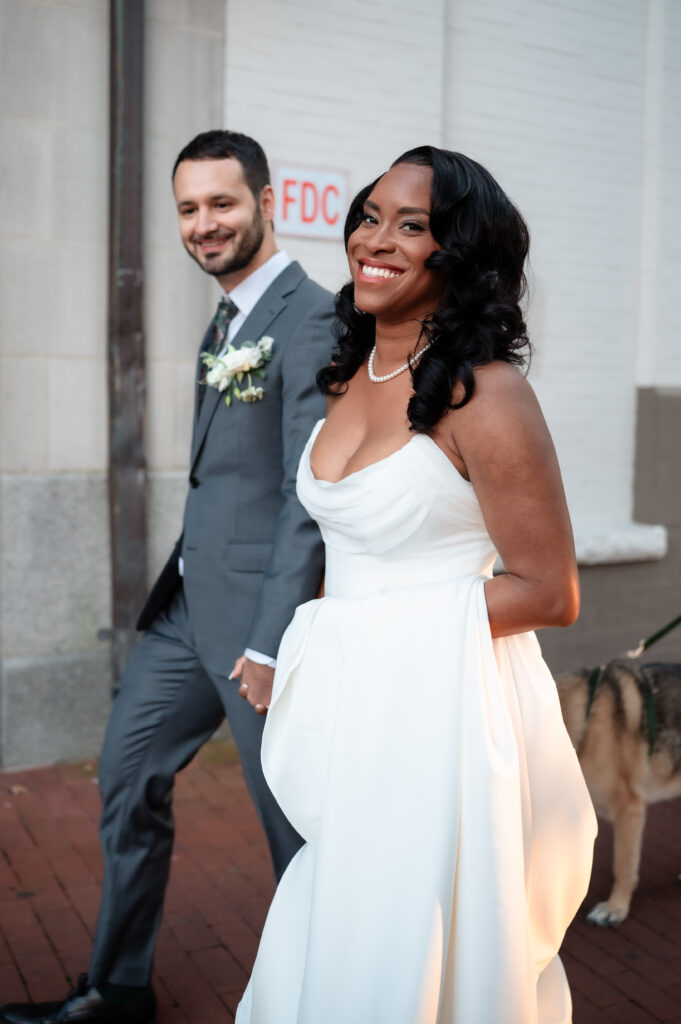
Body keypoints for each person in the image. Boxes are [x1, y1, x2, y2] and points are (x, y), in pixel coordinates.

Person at [234, 147, 597, 1024]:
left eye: (413, 225)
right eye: (369, 216)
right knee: (339, 921)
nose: (377, 239)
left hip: (445, 714)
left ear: (458, 257)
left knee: (414, 938)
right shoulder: (349, 375)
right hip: (359, 705)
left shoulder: (487, 396)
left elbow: (551, 592)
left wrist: (353, 633)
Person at [0, 130, 333, 1024]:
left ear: (268, 200)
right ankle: (118, 987)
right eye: (187, 209)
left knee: (292, 827)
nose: (203, 224)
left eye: (221, 203)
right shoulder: (228, 317)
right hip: (186, 609)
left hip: (261, 627)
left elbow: (307, 495)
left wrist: (270, 641)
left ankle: (339, 994)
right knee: (125, 771)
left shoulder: (311, 317)